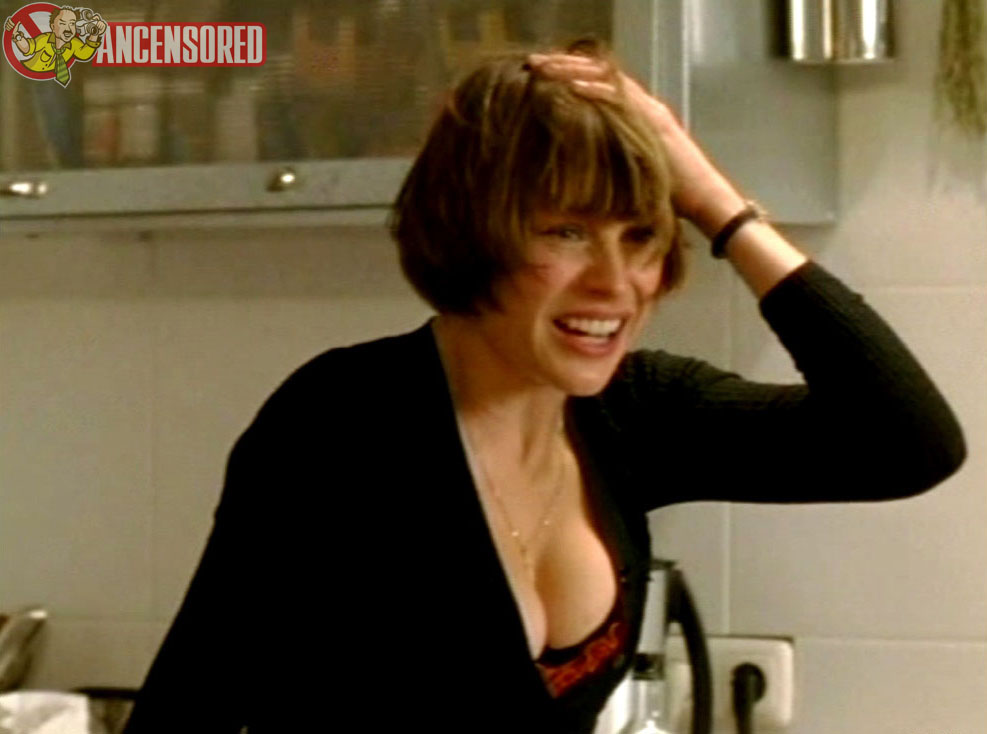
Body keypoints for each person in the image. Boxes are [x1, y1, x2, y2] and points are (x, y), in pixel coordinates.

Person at [122, 44, 965, 734]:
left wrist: (717, 206)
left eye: (639, 236)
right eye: (566, 231)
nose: (615, 283)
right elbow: (187, 712)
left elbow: (906, 443)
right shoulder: (344, 423)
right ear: (472, 230)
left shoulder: (631, 411)